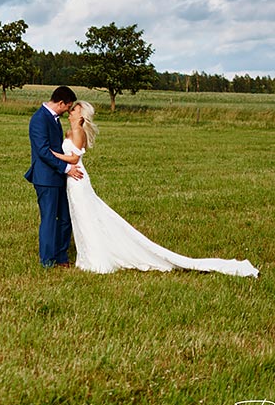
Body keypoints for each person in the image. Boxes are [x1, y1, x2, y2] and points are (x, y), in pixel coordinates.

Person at [52, 101, 259, 277]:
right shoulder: (69, 131)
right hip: (71, 178)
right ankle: (87, 254)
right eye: (72, 109)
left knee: (87, 217)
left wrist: (53, 155)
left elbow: (75, 158)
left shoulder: (78, 132)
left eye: (75, 110)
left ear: (81, 116)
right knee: (80, 217)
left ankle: (96, 259)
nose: (71, 111)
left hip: (77, 178)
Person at [24, 86, 83, 269]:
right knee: (49, 219)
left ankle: (61, 254)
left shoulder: (53, 118)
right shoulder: (39, 119)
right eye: (68, 107)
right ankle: (48, 260)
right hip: (45, 179)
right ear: (60, 103)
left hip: (59, 177)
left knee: (65, 218)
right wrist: (67, 168)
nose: (68, 111)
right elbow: (43, 152)